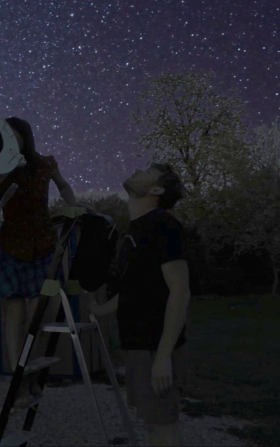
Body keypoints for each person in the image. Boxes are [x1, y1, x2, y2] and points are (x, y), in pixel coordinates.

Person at [0, 117, 88, 408]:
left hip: (42, 247)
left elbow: (64, 187)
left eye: (13, 135)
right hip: (10, 248)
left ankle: (32, 374)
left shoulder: (45, 164)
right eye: (5, 135)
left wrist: (73, 207)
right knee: (14, 314)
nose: (9, 140)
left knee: (38, 316)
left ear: (26, 137)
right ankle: (19, 385)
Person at [82, 164, 190, 447]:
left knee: (163, 428)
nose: (140, 169)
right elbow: (136, 286)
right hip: (139, 345)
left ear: (156, 190)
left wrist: (164, 356)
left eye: (148, 171)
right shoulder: (137, 228)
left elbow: (180, 291)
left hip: (155, 346)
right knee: (155, 427)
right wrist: (101, 310)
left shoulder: (163, 224)